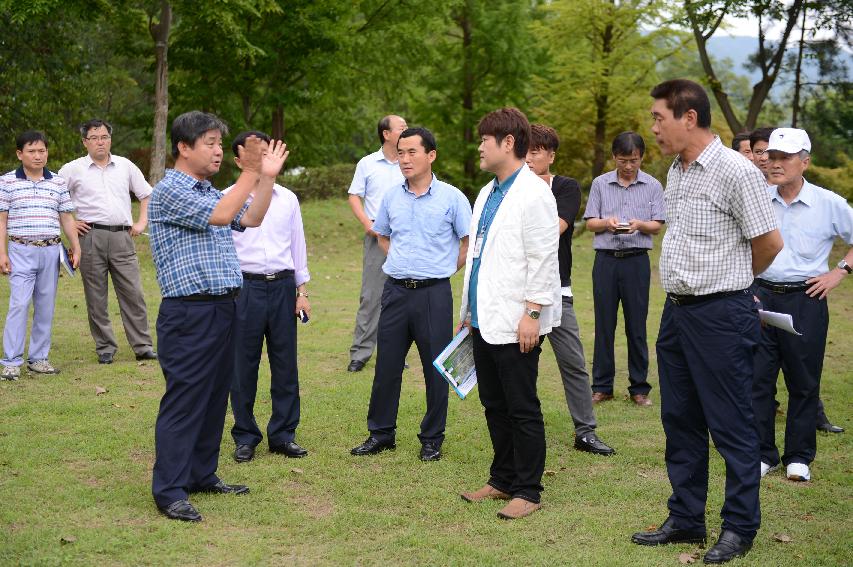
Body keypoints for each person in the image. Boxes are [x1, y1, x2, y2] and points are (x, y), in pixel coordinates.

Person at [631, 80, 782, 564]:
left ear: (689, 118)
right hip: (677, 312)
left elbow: (769, 243)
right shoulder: (678, 170)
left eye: (659, 118)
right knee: (680, 419)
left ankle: (739, 527)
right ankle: (687, 517)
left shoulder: (736, 171)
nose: (652, 128)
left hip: (721, 314)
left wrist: (732, 284)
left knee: (732, 424)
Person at [148, 111, 288, 522]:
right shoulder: (170, 191)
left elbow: (250, 217)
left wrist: (266, 177)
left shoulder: (207, 190)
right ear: (183, 147)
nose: (217, 150)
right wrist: (249, 170)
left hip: (225, 306)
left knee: (213, 398)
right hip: (189, 311)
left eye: (219, 143)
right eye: (209, 142)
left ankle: (201, 474)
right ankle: (169, 490)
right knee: (186, 400)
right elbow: (225, 216)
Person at [458, 108, 560, 520]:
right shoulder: (488, 191)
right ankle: (501, 479)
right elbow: (479, 255)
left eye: (486, 139)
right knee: (493, 403)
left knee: (521, 406)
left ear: (508, 143)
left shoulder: (534, 193)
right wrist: (468, 312)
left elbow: (543, 257)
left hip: (518, 319)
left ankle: (528, 490)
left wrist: (532, 313)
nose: (479, 146)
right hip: (485, 316)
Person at [350, 127, 471, 461]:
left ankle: (432, 438)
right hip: (395, 292)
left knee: (436, 368)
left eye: (412, 152)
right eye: (400, 153)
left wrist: (446, 269)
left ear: (431, 155)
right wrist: (400, 261)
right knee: (387, 365)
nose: (404, 159)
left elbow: (468, 242)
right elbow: (382, 235)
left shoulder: (452, 197)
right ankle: (381, 433)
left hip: (433, 293)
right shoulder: (391, 197)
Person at [751, 127, 852, 483]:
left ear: (805, 162)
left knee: (804, 382)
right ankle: (764, 453)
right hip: (760, 296)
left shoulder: (829, 203)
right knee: (758, 381)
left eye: (784, 158)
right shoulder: (757, 197)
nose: (775, 164)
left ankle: (798, 456)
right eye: (772, 157)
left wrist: (839, 272)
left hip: (806, 298)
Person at [525, 124, 614, 456]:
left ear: (551, 155)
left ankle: (585, 431)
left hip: (556, 290)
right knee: (522, 365)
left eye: (536, 151)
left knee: (573, 362)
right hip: (519, 293)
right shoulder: (509, 189)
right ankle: (523, 428)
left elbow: (553, 230)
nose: (530, 157)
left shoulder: (565, 187)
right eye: (526, 151)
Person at [227, 131, 311, 464]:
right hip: (243, 289)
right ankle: (245, 436)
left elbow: (298, 246)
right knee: (242, 366)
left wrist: (301, 291)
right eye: (251, 155)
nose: (261, 160)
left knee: (285, 364)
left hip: (282, 287)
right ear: (238, 161)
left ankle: (283, 435)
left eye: (264, 153)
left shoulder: (288, 199)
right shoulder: (227, 199)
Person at [58, 119, 156, 364]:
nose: (100, 142)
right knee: (96, 295)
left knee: (133, 292)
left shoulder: (125, 165)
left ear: (110, 139)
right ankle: (105, 347)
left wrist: (141, 223)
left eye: (104, 137)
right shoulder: (72, 169)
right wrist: (69, 223)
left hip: (123, 236)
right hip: (90, 237)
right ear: (84, 142)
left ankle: (142, 345)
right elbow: (55, 198)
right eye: (94, 137)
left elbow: (146, 194)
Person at [583, 132, 665, 407]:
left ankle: (639, 388)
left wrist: (639, 224)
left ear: (642, 157)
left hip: (637, 260)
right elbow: (590, 222)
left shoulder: (653, 185)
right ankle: (602, 386)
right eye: (623, 160)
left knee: (637, 325)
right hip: (606, 260)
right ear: (614, 157)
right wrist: (607, 222)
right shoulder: (600, 184)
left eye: (633, 160)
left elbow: (657, 223)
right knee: (604, 324)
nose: (628, 166)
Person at [0, 131, 81, 380]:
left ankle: (39, 358)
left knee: (45, 306)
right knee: (19, 304)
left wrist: (75, 246)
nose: (38, 156)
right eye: (32, 151)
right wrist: (2, 252)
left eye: (42, 151)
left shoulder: (57, 182)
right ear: (19, 154)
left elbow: (66, 217)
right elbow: (1, 220)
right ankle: (11, 361)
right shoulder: (6, 182)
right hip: (20, 250)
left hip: (50, 250)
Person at [346, 114, 408, 373]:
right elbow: (354, 196)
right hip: (377, 237)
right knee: (371, 296)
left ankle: (395, 353)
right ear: (386, 134)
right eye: (401, 128)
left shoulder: (410, 162)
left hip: (406, 238)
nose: (406, 130)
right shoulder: (368, 164)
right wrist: (367, 225)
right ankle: (360, 353)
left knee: (402, 297)